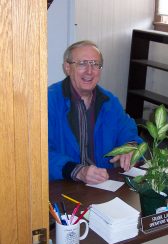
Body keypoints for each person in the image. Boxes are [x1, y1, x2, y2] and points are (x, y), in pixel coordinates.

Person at [48, 40, 142, 184]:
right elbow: (40, 152)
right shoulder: (48, 101)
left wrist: (130, 147)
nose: (89, 71)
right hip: (62, 184)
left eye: (95, 64)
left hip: (103, 184)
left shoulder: (109, 101)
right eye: (82, 63)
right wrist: (78, 171)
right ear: (67, 67)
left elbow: (128, 132)